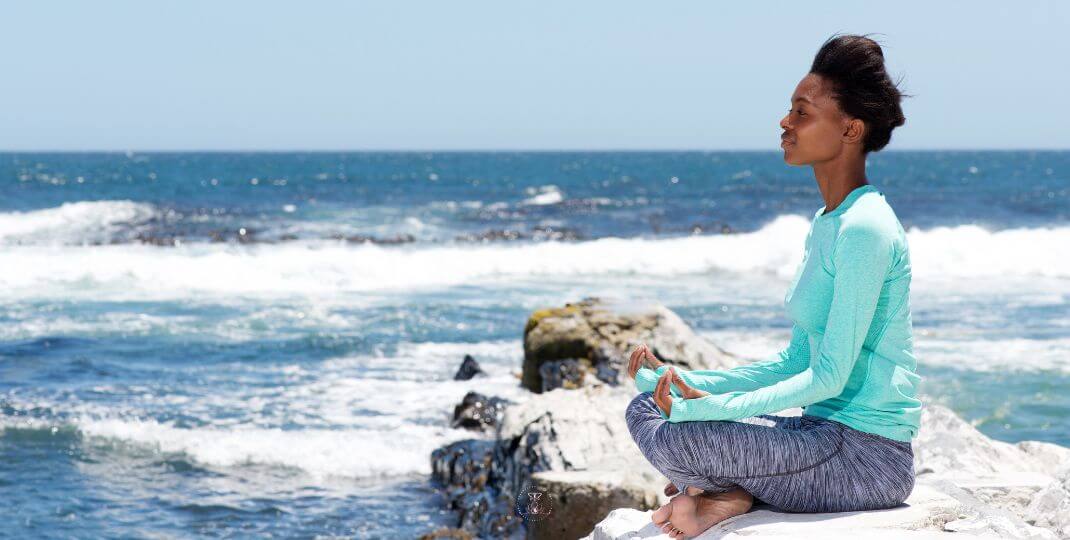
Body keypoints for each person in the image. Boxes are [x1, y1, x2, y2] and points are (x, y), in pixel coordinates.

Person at [624, 33, 921, 539]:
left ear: (850, 128)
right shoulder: (830, 220)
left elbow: (829, 377)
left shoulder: (866, 229)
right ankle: (730, 493)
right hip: (819, 435)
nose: (785, 123)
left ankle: (726, 491)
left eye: (802, 113)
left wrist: (704, 409)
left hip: (866, 457)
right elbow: (794, 361)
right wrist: (686, 381)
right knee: (646, 407)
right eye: (790, 111)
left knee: (678, 437)